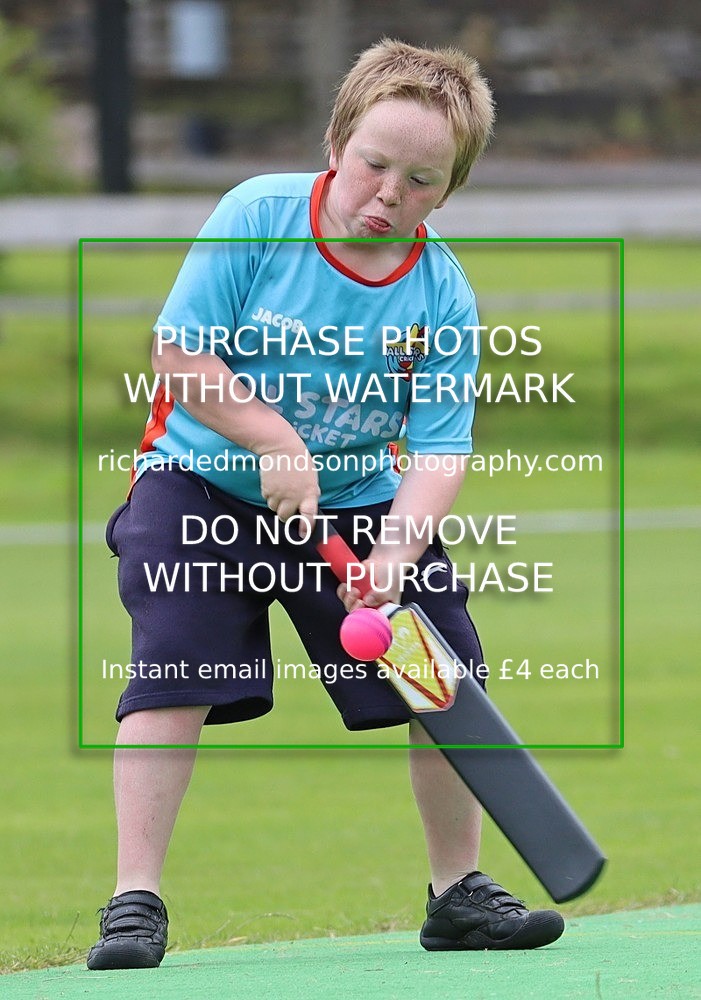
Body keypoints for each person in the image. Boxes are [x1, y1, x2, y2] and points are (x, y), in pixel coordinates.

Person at [87, 38, 564, 970]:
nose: (388, 193)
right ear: (335, 143)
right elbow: (179, 356)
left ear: (447, 191)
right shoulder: (257, 215)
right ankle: (133, 902)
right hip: (195, 482)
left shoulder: (440, 292)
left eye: (420, 180)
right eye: (374, 164)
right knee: (173, 669)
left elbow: (437, 450)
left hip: (354, 499)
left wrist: (393, 551)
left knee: (441, 671)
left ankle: (457, 893)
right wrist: (273, 439)